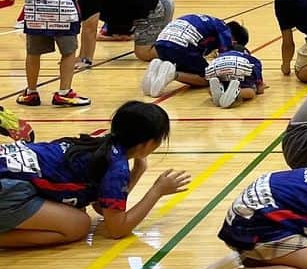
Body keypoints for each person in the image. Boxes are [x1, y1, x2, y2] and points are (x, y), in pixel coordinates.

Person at [0, 101, 189, 248]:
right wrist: (156, 191)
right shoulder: (116, 167)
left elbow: (103, 207)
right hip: (9, 187)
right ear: (147, 144)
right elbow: (117, 228)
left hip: (9, 171)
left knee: (75, 211)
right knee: (78, 225)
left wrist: (138, 171)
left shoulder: (101, 145)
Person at [77, 0, 175, 66]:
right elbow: (86, 29)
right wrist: (80, 57)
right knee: (142, 50)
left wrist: (86, 60)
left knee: (143, 53)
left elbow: (90, 30)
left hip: (155, 8)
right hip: (138, 15)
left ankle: (180, 51)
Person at [142, 14, 240, 97]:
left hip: (161, 43)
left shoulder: (208, 20)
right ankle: (173, 74)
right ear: (234, 41)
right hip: (181, 46)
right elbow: (226, 59)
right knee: (209, 77)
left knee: (186, 64)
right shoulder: (224, 30)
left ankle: (157, 67)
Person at [204, 23, 266, 108]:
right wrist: (259, 84)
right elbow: (256, 64)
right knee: (251, 92)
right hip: (237, 65)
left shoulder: (222, 49)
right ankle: (236, 93)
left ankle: (221, 90)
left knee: (214, 86)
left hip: (219, 66)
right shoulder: (244, 52)